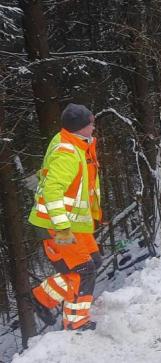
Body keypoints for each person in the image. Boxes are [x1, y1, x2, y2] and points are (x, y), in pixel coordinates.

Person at [28, 103, 102, 331]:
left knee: (93, 262)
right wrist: (62, 227)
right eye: (91, 124)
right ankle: (75, 321)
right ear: (80, 127)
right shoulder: (68, 153)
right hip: (59, 225)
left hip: (73, 222)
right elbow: (53, 190)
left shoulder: (73, 142)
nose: (93, 127)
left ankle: (43, 297)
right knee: (83, 269)